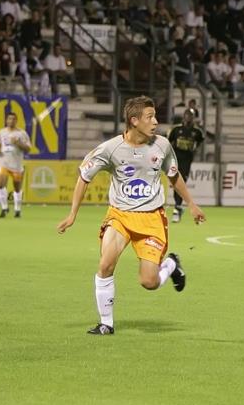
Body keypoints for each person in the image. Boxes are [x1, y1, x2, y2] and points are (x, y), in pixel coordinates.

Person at [56, 96, 206, 335]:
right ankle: (106, 323)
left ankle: (170, 264)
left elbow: (174, 175)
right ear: (134, 121)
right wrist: (72, 214)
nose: (155, 122)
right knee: (105, 264)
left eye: (155, 117)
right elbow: (84, 177)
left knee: (149, 282)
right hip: (120, 216)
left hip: (151, 219)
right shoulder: (110, 149)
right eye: (150, 117)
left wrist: (191, 204)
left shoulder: (162, 145)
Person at [167, 108, 204, 223]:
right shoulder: (176, 129)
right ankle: (177, 207)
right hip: (176, 159)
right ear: (184, 116)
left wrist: (194, 149)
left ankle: (177, 207)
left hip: (187, 160)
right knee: (175, 182)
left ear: (193, 117)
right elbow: (169, 141)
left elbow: (200, 141)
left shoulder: (196, 131)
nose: (188, 117)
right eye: (187, 115)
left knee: (181, 182)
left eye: (191, 115)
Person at [0, 112, 31, 218]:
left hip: (16, 164)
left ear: (16, 121)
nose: (11, 121)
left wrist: (18, 143)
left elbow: (28, 148)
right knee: (0, 184)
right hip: (3, 162)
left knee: (17, 188)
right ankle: (4, 208)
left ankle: (17, 209)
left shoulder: (22, 133)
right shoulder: (1, 132)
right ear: (6, 120)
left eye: (13, 119)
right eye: (9, 119)